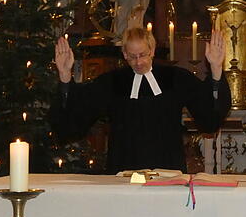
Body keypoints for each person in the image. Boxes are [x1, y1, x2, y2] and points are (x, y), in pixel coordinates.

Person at [51, 27, 230, 174]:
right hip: (123, 172)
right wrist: (66, 76)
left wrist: (215, 69)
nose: (138, 62)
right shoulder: (112, 82)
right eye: (132, 56)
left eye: (142, 54)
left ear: (152, 50)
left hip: (168, 172)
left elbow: (209, 117)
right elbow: (76, 117)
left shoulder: (175, 78)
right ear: (124, 54)